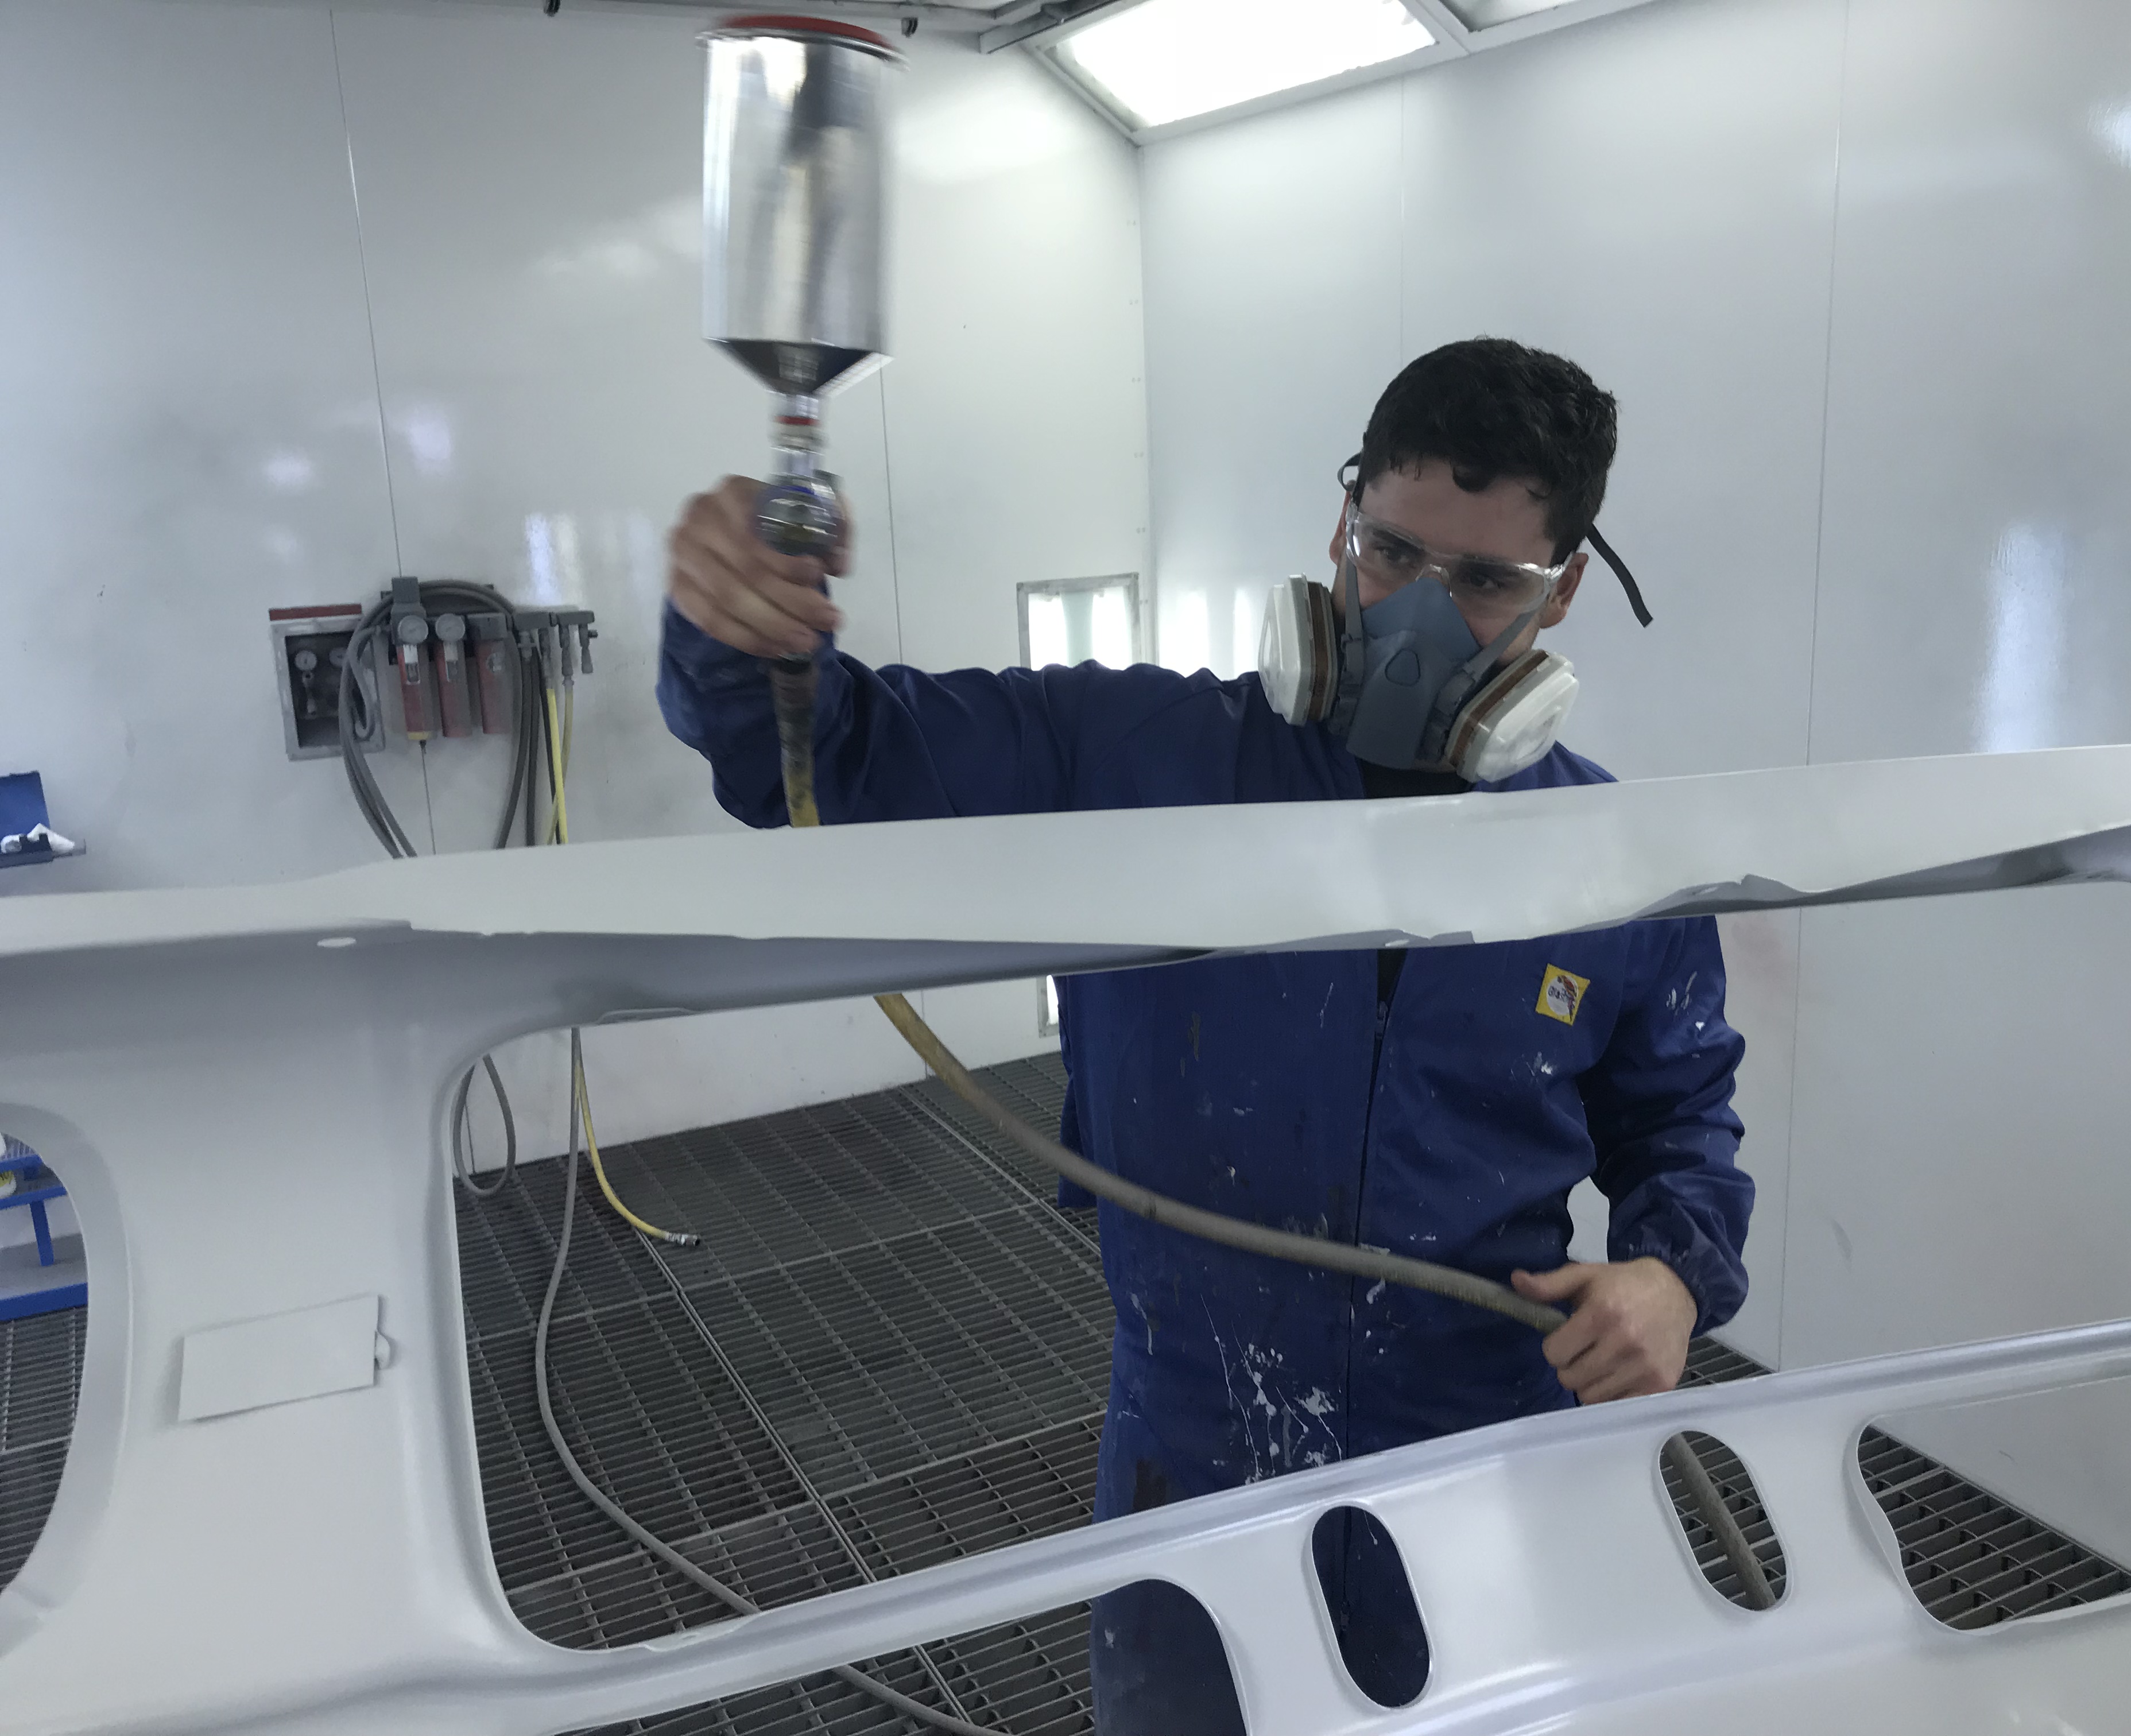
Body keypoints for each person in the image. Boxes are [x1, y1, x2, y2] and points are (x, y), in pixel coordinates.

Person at [658, 338, 1752, 1732]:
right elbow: (828, 756)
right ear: (1340, 527)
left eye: (1484, 583)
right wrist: (737, 631)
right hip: (1194, 1450)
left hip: (1483, 1454)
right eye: (1392, 555)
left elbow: (1680, 1121)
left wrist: (1670, 1277)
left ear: (1564, 592)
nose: (1417, 616)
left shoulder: (1612, 861)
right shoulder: (1132, 767)